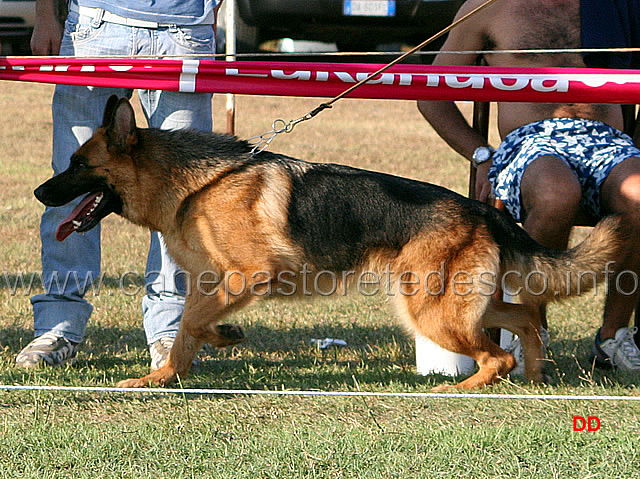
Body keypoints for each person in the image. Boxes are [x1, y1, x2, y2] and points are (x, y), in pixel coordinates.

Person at [417, 0, 640, 373]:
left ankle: (613, 337)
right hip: (532, 141)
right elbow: (429, 94)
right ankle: (533, 333)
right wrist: (481, 156)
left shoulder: (616, 7)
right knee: (556, 194)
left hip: (608, 141)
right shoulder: (487, 7)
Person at [16, 0, 223, 370]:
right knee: (72, 182)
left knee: (183, 197)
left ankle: (170, 331)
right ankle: (58, 326)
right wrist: (46, 15)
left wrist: (208, 16)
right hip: (95, 30)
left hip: (184, 32)